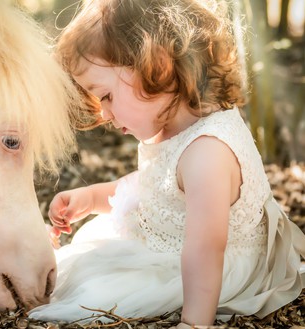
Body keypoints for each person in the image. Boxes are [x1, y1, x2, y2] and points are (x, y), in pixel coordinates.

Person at [29, 0, 305, 327]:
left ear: (155, 66)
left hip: (204, 272)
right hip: (179, 248)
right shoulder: (175, 126)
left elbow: (206, 251)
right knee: (81, 266)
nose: (103, 113)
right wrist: (91, 199)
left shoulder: (207, 153)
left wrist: (194, 322)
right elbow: (155, 189)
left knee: (93, 288)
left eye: (106, 96)